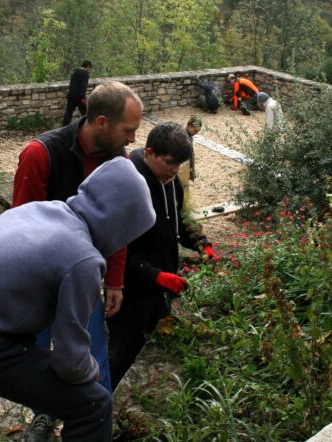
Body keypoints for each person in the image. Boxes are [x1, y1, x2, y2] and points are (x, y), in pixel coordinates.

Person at [0, 158, 156, 442]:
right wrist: (93, 371)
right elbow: (70, 362)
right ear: (121, 222)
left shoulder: (39, 210)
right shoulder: (84, 259)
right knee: (93, 405)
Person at [13, 81, 143, 441]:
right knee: (38, 352)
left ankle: (90, 421)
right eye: (128, 130)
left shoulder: (119, 161)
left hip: (87, 279)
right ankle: (43, 414)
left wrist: (114, 279)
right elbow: (20, 229)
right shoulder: (40, 154)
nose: (134, 140)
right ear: (102, 122)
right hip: (39, 281)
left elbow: (118, 224)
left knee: (91, 353)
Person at [107, 122, 216, 391]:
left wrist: (201, 243)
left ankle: (131, 398)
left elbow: (175, 222)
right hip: (130, 293)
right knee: (121, 352)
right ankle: (101, 402)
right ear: (149, 152)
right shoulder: (129, 185)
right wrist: (155, 276)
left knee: (149, 347)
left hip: (159, 288)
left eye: (179, 164)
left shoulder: (170, 182)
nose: (175, 170)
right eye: (169, 163)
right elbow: (116, 249)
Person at [62, 60, 93, 126]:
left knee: (68, 114)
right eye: (90, 68)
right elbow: (83, 87)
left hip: (71, 96)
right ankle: (88, 126)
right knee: (85, 114)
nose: (89, 70)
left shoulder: (75, 71)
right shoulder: (85, 74)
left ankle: (63, 128)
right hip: (79, 98)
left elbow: (72, 84)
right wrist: (83, 98)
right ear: (87, 66)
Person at [178, 116, 201, 194]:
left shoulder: (189, 136)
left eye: (198, 131)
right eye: (195, 130)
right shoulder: (183, 137)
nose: (196, 133)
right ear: (189, 126)